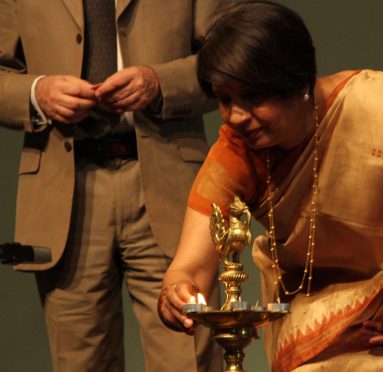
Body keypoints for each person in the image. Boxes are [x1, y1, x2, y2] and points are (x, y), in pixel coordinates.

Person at [158, 1, 383, 371]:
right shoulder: (236, 151)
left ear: (299, 84)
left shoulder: (378, 107)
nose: (235, 116)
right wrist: (176, 292)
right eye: (225, 99)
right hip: (313, 322)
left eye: (253, 98)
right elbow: (190, 267)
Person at [0, 0, 229, 371]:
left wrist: (159, 83)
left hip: (166, 179)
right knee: (81, 363)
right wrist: (36, 93)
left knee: (188, 359)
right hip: (66, 191)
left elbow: (231, 56)